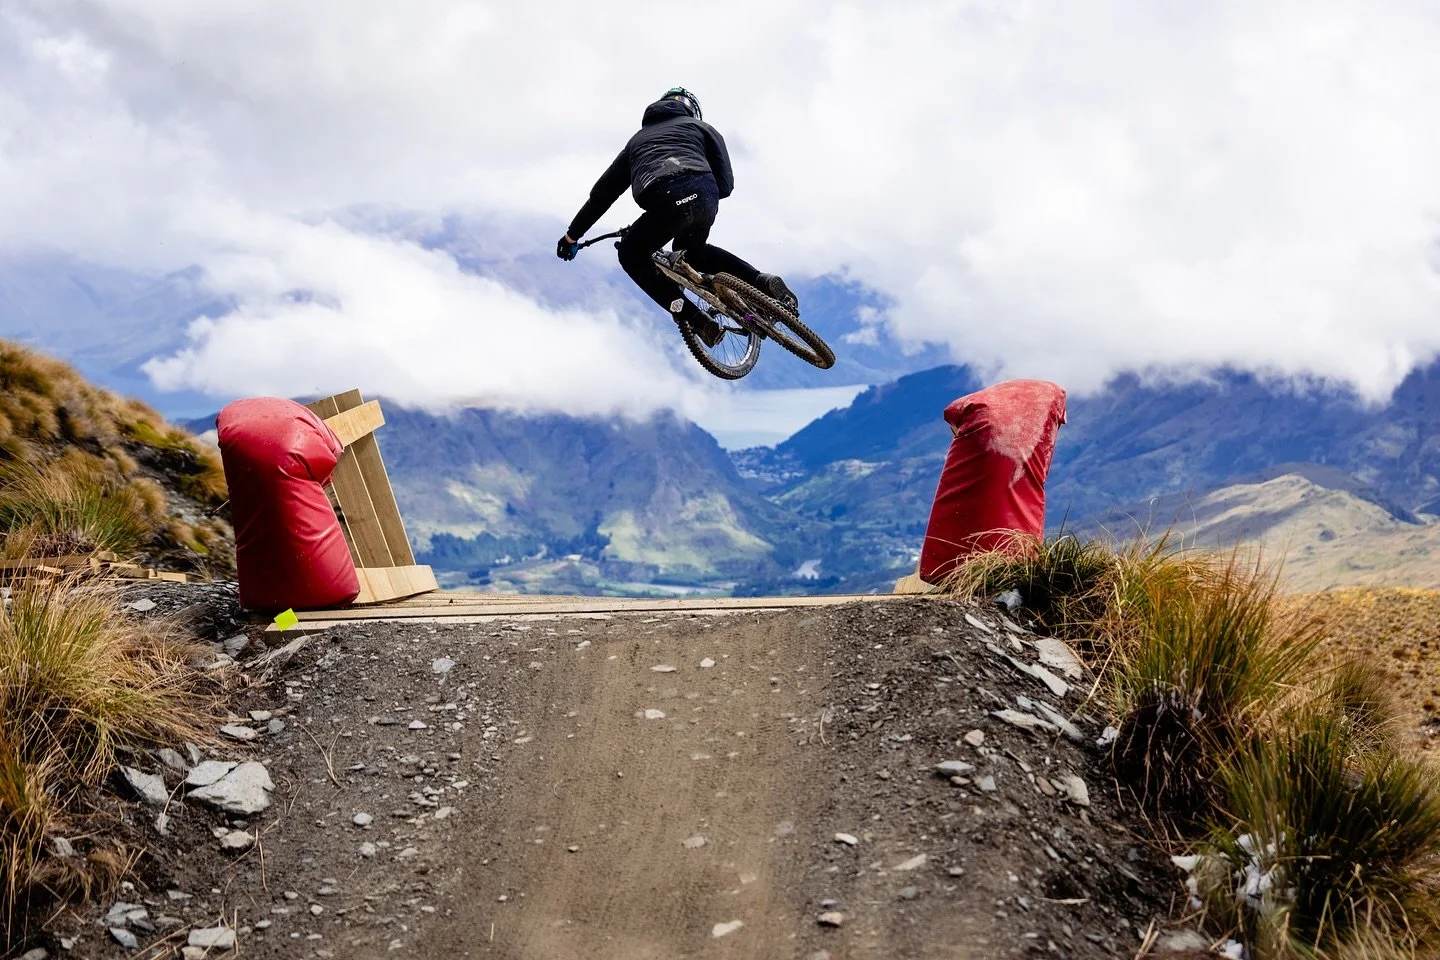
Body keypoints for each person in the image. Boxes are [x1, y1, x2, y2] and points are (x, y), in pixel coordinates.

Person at [556, 87, 796, 347]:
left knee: (631, 254)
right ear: (690, 110)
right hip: (705, 193)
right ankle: (763, 281)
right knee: (692, 251)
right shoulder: (704, 129)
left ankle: (697, 320)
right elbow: (725, 185)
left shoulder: (636, 143)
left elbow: (601, 196)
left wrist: (572, 236)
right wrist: (697, 197)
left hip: (664, 198)